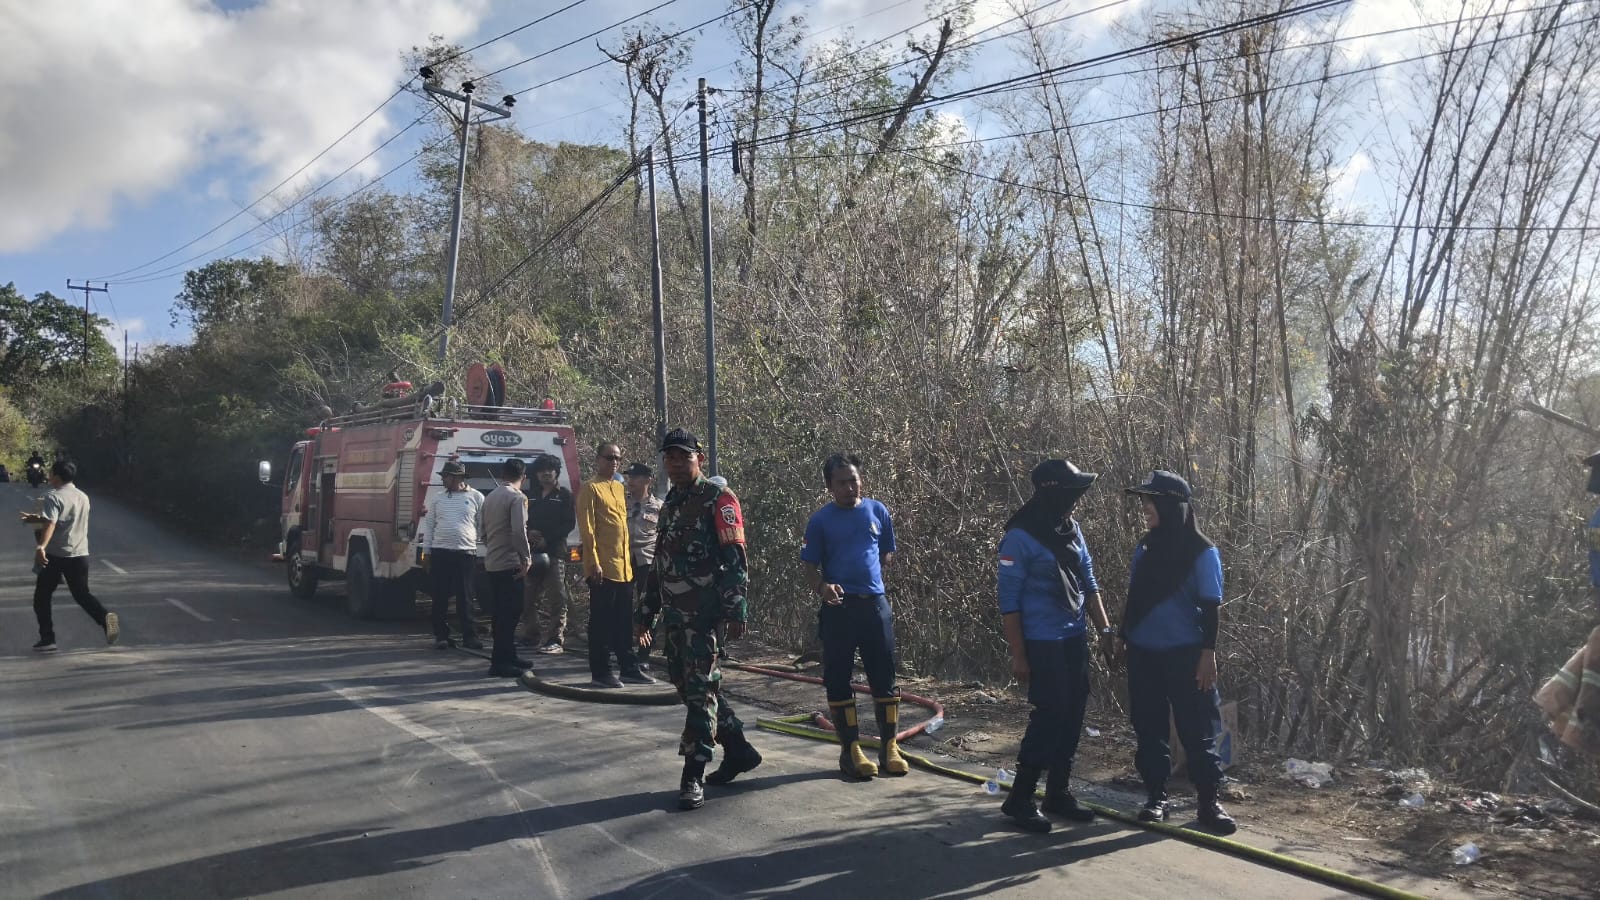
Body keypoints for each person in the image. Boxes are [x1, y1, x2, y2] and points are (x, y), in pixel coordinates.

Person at [635, 428, 762, 810]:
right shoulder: (671, 501)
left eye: (683, 457)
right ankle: (738, 749)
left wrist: (735, 608)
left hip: (704, 616)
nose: (675, 463)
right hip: (675, 616)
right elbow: (660, 564)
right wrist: (646, 614)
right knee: (690, 686)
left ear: (699, 459)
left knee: (699, 692)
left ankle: (693, 772)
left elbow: (735, 560)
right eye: (669, 457)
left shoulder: (719, 499)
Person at [995, 459, 1115, 833]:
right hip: (1041, 640)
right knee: (1049, 714)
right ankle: (1021, 797)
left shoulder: (1070, 528)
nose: (1076, 501)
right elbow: (1009, 601)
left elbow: (1089, 579)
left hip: (1072, 636)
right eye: (1071, 493)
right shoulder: (1020, 536)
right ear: (1053, 492)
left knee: (1074, 710)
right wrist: (1019, 654)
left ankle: (1058, 792)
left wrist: (1105, 631)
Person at [1117, 469, 1236, 835]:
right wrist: (1122, 637)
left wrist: (1208, 653)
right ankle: (1155, 798)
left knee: (1196, 729)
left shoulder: (1203, 552)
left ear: (1171, 506)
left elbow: (1211, 606)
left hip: (1187, 656)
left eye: (1151, 502)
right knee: (1149, 728)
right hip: (1144, 653)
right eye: (1144, 502)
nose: (1145, 509)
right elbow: (1135, 597)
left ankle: (1207, 803)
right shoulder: (1146, 547)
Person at [800, 453, 908, 780]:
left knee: (884, 675)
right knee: (838, 677)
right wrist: (823, 587)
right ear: (829, 486)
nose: (850, 487)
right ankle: (850, 750)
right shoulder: (821, 521)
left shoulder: (878, 511)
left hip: (875, 605)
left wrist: (869, 574)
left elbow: (886, 552)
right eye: (842, 482)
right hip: (839, 609)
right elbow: (808, 567)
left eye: (854, 480)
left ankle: (889, 747)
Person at [23, 461, 119, 651]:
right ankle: (104, 618)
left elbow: (51, 523)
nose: (48, 476)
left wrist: (41, 546)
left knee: (41, 597)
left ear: (57, 476)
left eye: (50, 473)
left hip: (56, 555)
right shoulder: (83, 496)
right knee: (82, 594)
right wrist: (33, 519)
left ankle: (48, 639)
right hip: (80, 554)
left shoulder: (52, 497)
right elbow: (67, 520)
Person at [578, 442, 652, 687]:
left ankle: (628, 667)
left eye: (617, 458)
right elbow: (588, 531)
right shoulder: (591, 488)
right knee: (601, 622)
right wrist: (593, 564)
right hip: (603, 568)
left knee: (623, 621)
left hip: (624, 567)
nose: (614, 462)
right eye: (609, 458)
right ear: (598, 459)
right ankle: (601, 671)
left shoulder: (620, 489)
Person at [421, 459, 484, 651]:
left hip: (466, 553)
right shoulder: (437, 498)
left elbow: (482, 525)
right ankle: (441, 635)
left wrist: (480, 549)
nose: (443, 480)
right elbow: (429, 526)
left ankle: (469, 637)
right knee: (439, 596)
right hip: (441, 553)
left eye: (446, 477)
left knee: (465, 597)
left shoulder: (477, 497)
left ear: (458, 478)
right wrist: (427, 552)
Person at [481, 458, 535, 678]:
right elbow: (518, 531)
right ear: (524, 477)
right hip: (511, 563)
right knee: (510, 614)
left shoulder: (490, 497)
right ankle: (500, 662)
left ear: (503, 475)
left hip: (493, 562)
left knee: (499, 614)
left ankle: (508, 655)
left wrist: (494, 548)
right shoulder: (517, 498)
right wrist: (527, 557)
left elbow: (482, 532)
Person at [523, 453, 576, 654]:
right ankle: (530, 636)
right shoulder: (530, 495)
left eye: (550, 469)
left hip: (555, 552)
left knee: (557, 597)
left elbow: (568, 524)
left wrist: (548, 538)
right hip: (531, 554)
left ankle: (555, 639)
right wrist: (528, 532)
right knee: (527, 598)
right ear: (536, 474)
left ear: (556, 472)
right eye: (541, 470)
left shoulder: (564, 495)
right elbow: (522, 519)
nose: (546, 473)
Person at [626, 462, 663, 670]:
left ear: (647, 480)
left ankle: (643, 654)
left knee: (647, 609)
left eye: (636, 477)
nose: (631, 481)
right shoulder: (620, 502)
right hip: (623, 559)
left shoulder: (658, 507)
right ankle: (623, 650)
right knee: (621, 605)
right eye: (629, 477)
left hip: (646, 562)